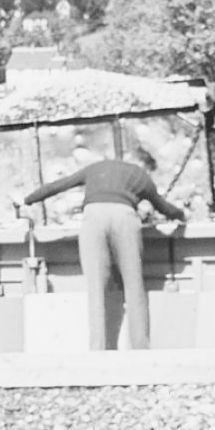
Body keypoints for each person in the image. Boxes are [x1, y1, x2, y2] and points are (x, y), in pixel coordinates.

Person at [19, 148, 186, 350]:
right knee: (134, 286)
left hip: (93, 218)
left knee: (96, 287)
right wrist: (181, 215)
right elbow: (163, 207)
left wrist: (27, 200)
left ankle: (97, 350)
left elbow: (60, 185)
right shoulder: (140, 176)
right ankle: (140, 349)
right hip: (125, 217)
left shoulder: (94, 169)